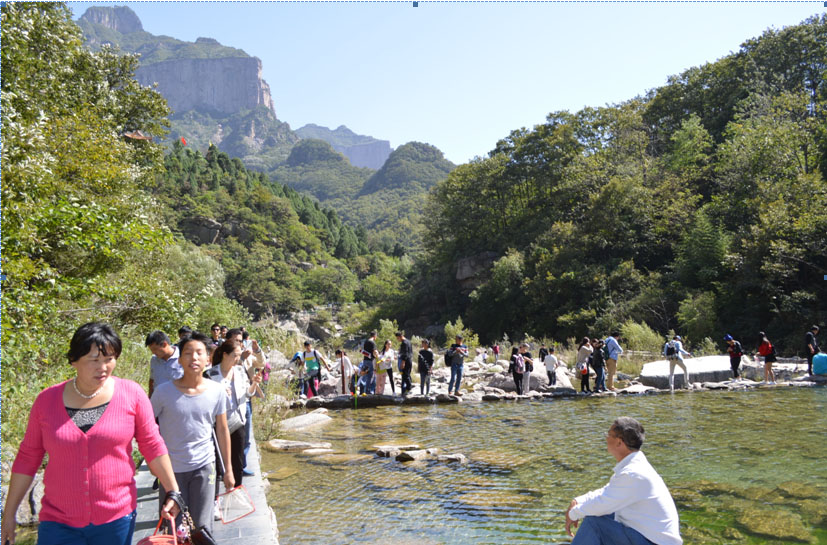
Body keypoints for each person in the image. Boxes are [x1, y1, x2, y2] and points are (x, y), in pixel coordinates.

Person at [1, 322, 181, 545]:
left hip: (116, 519)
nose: (103, 367)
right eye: (94, 360)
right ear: (74, 360)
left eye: (109, 359)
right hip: (57, 522)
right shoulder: (46, 401)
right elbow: (28, 458)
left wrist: (173, 490)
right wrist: (9, 514)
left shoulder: (131, 394)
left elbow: (152, 444)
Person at [152, 332, 234, 536]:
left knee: (202, 528)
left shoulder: (216, 391)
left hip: (205, 467)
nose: (194, 358)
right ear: (179, 359)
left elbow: (222, 429)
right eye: (188, 353)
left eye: (199, 353)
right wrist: (154, 463)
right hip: (171, 470)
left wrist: (228, 469)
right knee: (173, 528)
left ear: (208, 359)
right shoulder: (163, 392)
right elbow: (148, 428)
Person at [564, 417, 682, 545]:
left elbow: (603, 503)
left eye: (609, 434)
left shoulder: (633, 473)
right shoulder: (635, 465)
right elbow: (607, 492)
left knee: (593, 523)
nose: (606, 438)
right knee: (599, 514)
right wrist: (579, 501)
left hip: (654, 542)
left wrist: (573, 514)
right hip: (648, 537)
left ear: (619, 442)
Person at [206, 338, 263, 486]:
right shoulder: (210, 374)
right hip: (217, 424)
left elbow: (248, 394)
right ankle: (215, 495)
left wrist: (254, 383)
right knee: (218, 464)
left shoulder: (240, 371)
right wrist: (219, 393)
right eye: (235, 355)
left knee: (237, 461)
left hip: (238, 421)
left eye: (239, 355)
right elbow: (204, 401)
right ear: (225, 355)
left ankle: (237, 490)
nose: (238, 359)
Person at [225, 328, 265, 475]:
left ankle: (241, 465)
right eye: (236, 340)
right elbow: (229, 371)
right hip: (229, 402)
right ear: (228, 340)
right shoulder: (224, 355)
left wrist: (257, 350)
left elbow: (261, 363)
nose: (239, 343)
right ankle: (228, 467)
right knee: (230, 435)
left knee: (246, 436)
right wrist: (241, 358)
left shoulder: (247, 356)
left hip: (245, 399)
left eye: (241, 341)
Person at [146, 330, 183, 398]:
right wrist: (150, 398)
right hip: (158, 399)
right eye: (151, 350)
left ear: (164, 344)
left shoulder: (182, 357)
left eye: (155, 349)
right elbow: (152, 380)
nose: (153, 352)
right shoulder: (154, 359)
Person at [358, 330, 379, 395]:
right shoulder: (372, 343)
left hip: (365, 360)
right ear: (375, 336)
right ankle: (368, 392)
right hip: (371, 361)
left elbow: (364, 351)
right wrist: (377, 357)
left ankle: (362, 391)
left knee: (364, 375)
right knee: (370, 376)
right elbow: (375, 352)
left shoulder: (366, 342)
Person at [396, 331, 414, 395]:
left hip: (406, 361)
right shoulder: (408, 341)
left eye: (397, 338)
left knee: (405, 375)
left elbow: (405, 353)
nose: (397, 340)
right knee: (407, 375)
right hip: (409, 360)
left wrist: (403, 362)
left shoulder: (404, 343)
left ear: (400, 336)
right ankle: (406, 390)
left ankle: (409, 388)